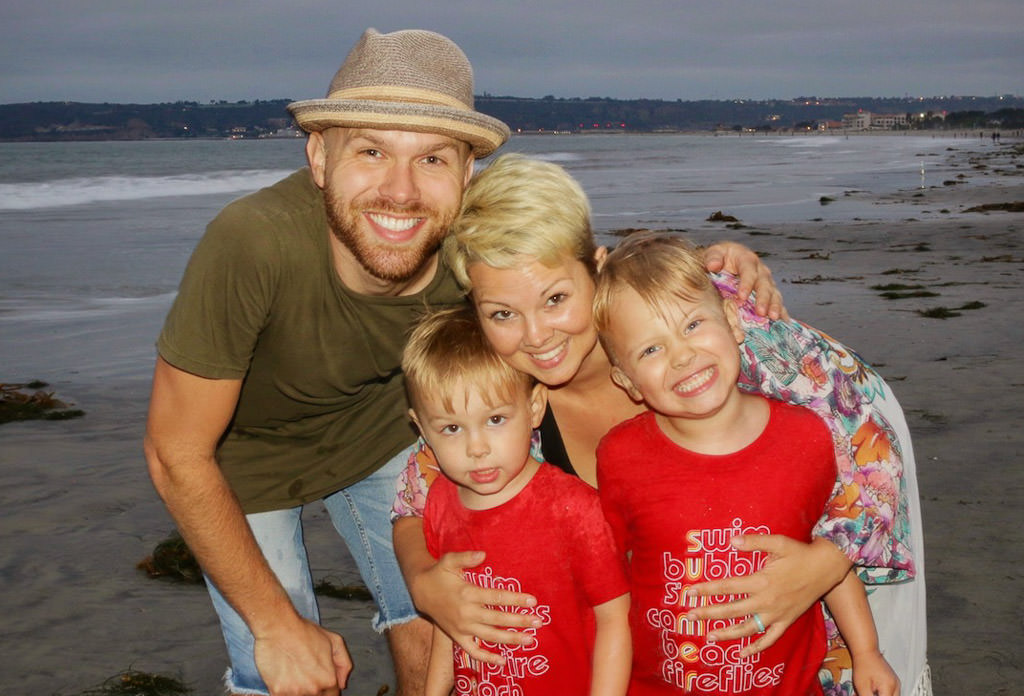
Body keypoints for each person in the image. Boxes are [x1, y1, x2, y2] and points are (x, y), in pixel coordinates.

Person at [143, 28, 775, 696]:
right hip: (246, 454)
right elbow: (175, 452)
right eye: (370, 150)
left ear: (466, 175)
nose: (401, 191)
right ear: (319, 157)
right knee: (282, 664)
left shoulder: (463, 255)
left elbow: (563, 268)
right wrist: (275, 625)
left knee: (439, 606)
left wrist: (704, 267)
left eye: (433, 159)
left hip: (391, 427)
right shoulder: (252, 247)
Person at [392, 154, 930, 696]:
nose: (535, 335)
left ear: (596, 269)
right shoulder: (502, 396)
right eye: (501, 313)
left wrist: (826, 564)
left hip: (828, 590)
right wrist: (423, 583)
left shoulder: (719, 336)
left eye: (556, 298)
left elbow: (868, 445)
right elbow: (416, 496)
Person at [592, 232, 899, 696]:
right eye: (650, 350)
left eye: (693, 325)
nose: (682, 356)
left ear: (734, 321)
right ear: (626, 380)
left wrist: (867, 653)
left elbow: (832, 559)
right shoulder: (619, 455)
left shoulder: (807, 438)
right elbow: (609, 583)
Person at [402, 305, 631, 695]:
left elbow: (615, 618)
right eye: (452, 428)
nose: (477, 449)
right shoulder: (440, 500)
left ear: (534, 408)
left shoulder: (573, 508)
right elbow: (450, 615)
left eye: (495, 420)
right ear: (421, 428)